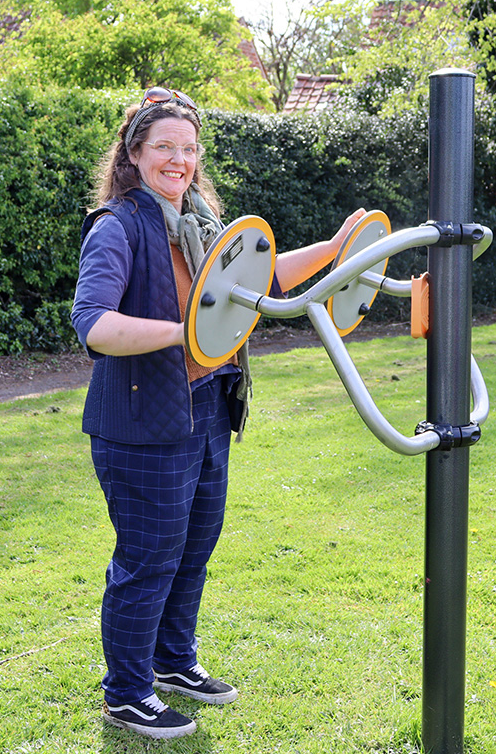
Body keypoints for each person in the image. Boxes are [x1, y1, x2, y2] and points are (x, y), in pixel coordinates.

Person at [71, 86, 365, 740]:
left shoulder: (202, 223)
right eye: (164, 147)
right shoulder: (118, 226)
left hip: (206, 408)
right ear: (134, 153)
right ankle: (127, 694)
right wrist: (186, 333)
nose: (178, 159)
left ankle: (173, 661)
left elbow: (262, 283)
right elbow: (93, 324)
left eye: (188, 148)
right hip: (142, 421)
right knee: (148, 558)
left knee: (193, 550)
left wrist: (335, 246)